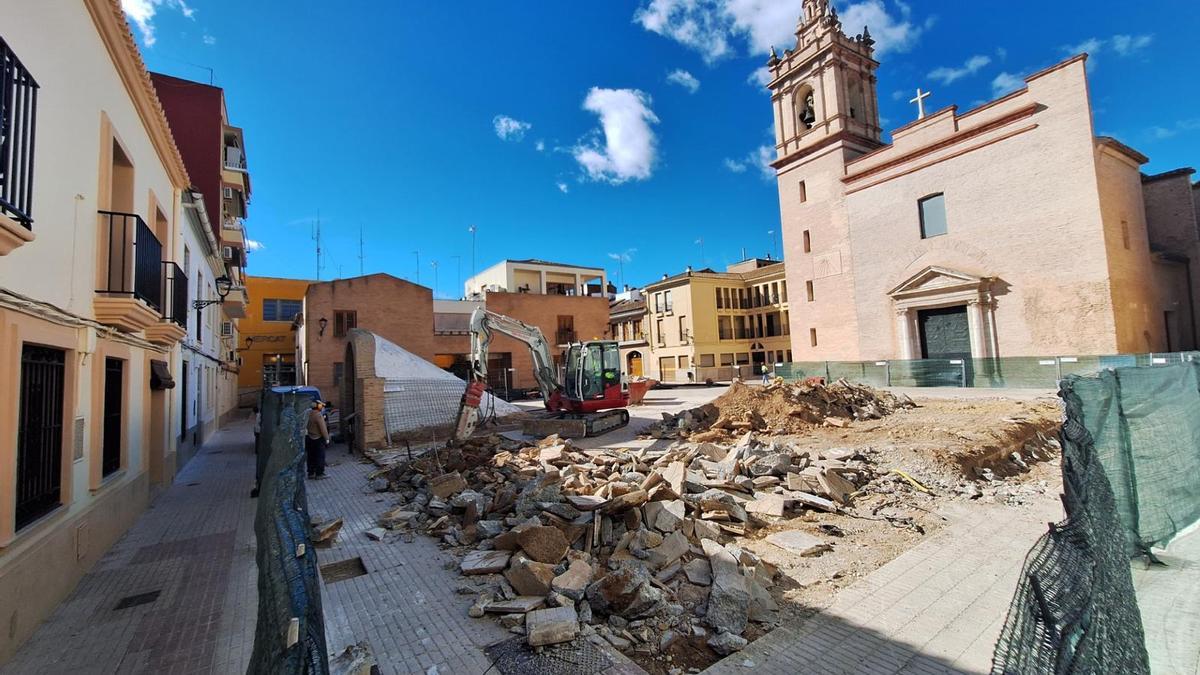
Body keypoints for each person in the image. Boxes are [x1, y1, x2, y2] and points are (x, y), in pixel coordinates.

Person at [306, 400, 331, 479]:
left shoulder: (308, 414)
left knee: (310, 456)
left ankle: (311, 473)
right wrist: (327, 438)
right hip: (318, 439)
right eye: (321, 406)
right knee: (320, 456)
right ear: (318, 407)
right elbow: (323, 428)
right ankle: (319, 474)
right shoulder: (318, 415)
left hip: (309, 438)